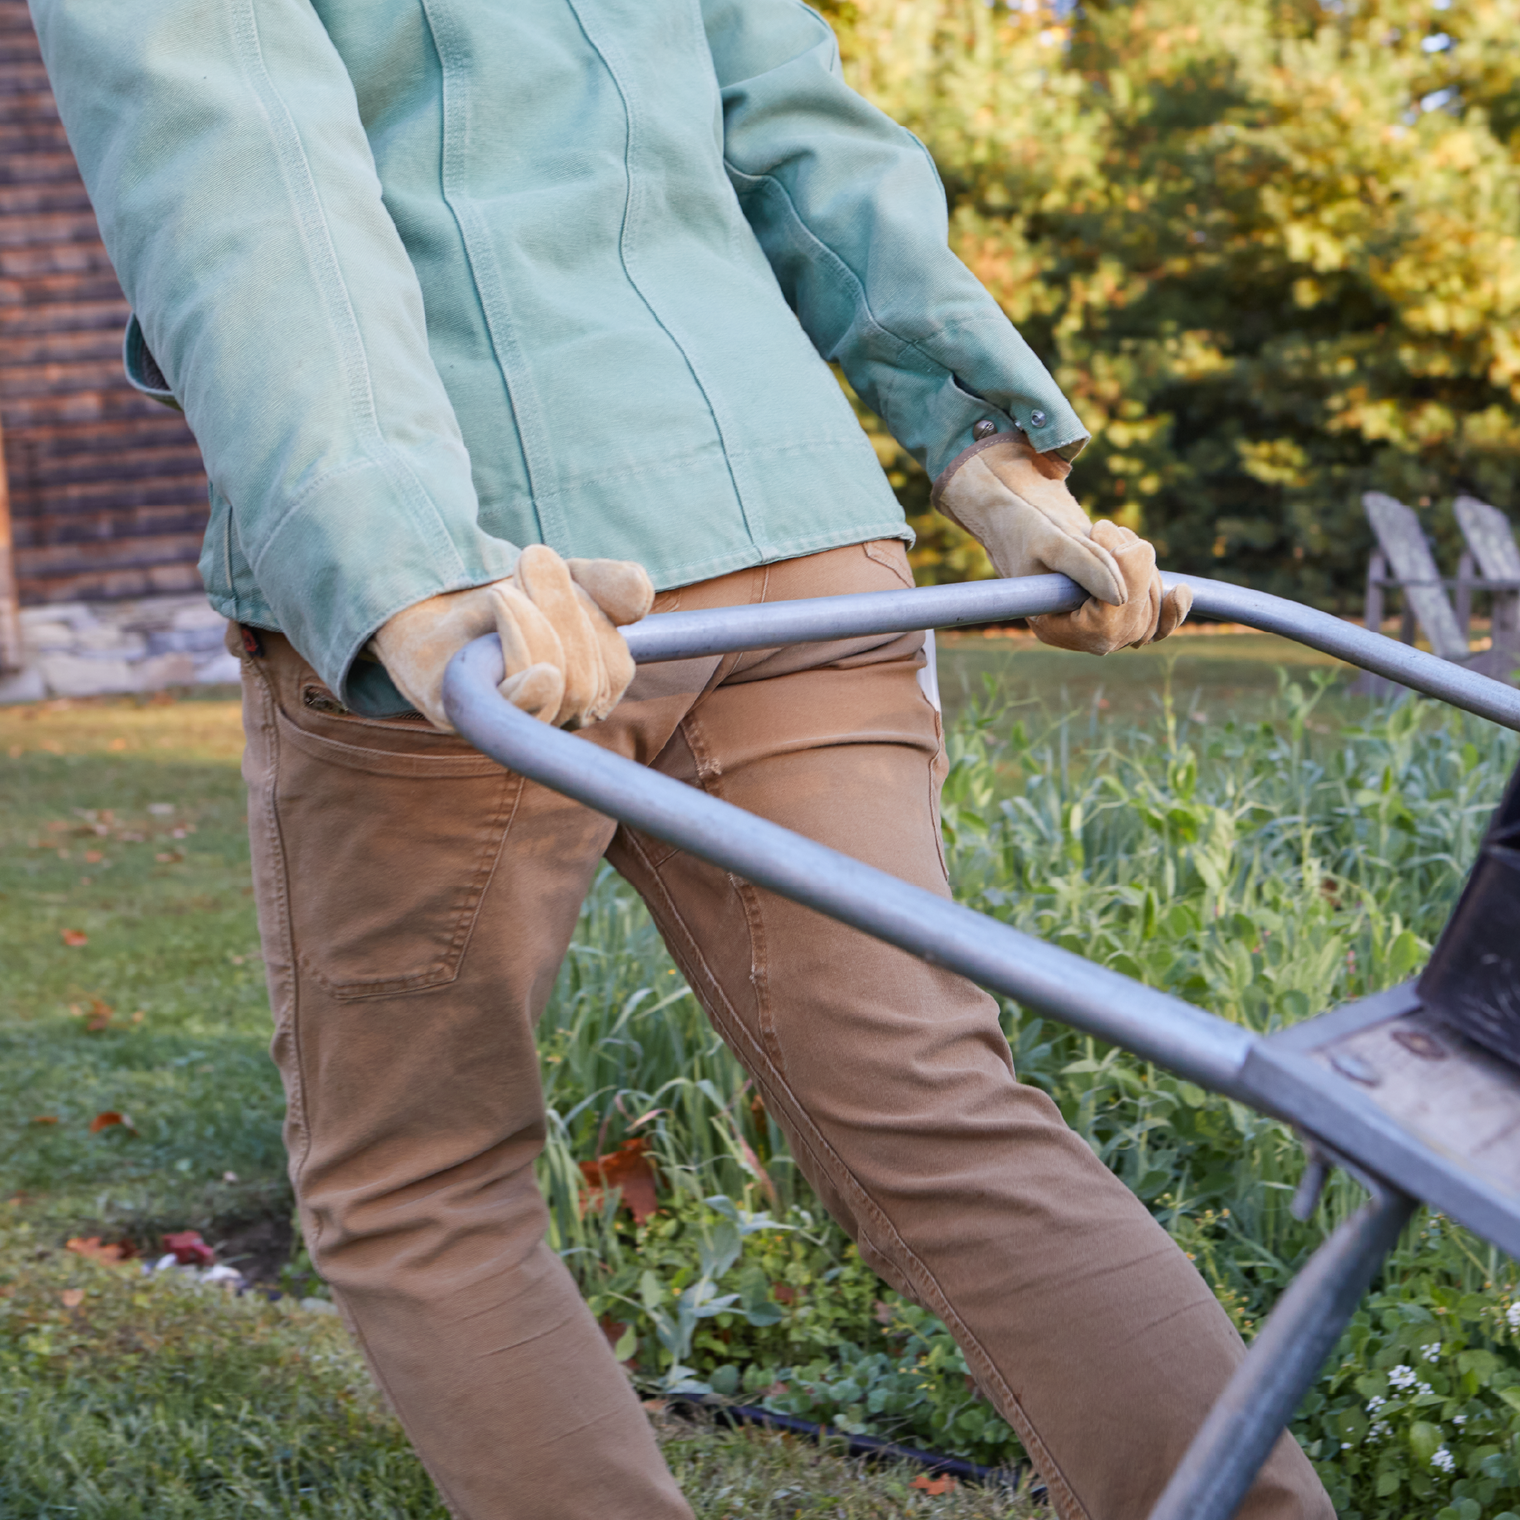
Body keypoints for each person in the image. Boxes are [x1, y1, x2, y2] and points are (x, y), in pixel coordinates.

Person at [34, 2, 1331, 1516]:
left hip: (506, 580)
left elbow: (247, 186)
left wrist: (393, 562)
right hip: (793, 526)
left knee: (418, 1190)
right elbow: (798, 127)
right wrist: (982, 442)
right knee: (940, 1117)